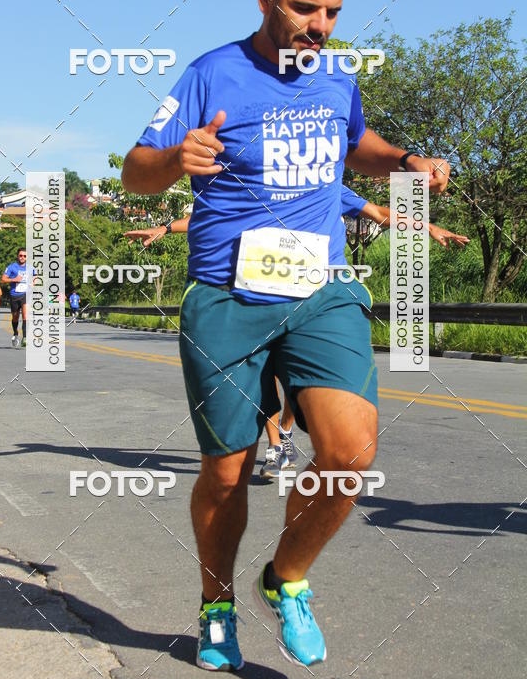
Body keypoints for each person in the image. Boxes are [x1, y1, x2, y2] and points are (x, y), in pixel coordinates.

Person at [122, 0, 450, 671]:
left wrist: (405, 161)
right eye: (306, 8)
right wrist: (178, 160)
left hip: (320, 290)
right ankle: (215, 605)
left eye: (333, 12)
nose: (321, 27)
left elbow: (354, 140)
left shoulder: (336, 77)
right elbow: (136, 171)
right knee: (228, 472)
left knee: (349, 452)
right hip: (226, 297)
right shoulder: (212, 73)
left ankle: (286, 579)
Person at [125, 188, 468, 479]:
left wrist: (428, 227)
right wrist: (167, 227)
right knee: (266, 375)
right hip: (258, 295)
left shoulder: (326, 183)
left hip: (313, 298)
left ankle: (285, 432)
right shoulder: (253, 183)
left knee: (298, 381)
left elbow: (378, 212)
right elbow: (210, 219)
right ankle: (276, 447)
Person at [2, 249, 35, 349]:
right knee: (15, 317)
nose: (22, 257)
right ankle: (15, 333)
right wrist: (14, 279)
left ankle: (25, 338)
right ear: (18, 256)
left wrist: (33, 283)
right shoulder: (12, 267)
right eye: (21, 255)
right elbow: (3, 279)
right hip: (14, 295)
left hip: (26, 294)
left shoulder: (30, 267)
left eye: (25, 256)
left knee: (25, 315)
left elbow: (35, 276)